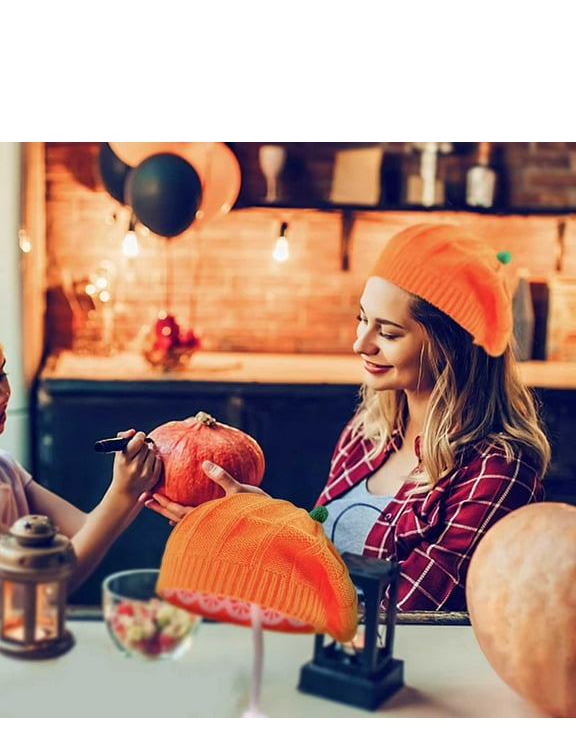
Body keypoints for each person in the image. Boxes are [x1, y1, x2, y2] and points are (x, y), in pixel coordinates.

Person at [143, 223, 551, 612]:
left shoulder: (497, 472)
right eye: (362, 319)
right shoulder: (368, 433)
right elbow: (317, 551)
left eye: (388, 333)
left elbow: (405, 616)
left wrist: (276, 535)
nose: (361, 343)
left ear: (452, 347)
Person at [0, 342, 162, 594]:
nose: (3, 395)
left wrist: (139, 482)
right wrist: (124, 492)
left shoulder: (6, 468)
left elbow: (84, 528)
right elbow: (45, 590)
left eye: (1, 374)